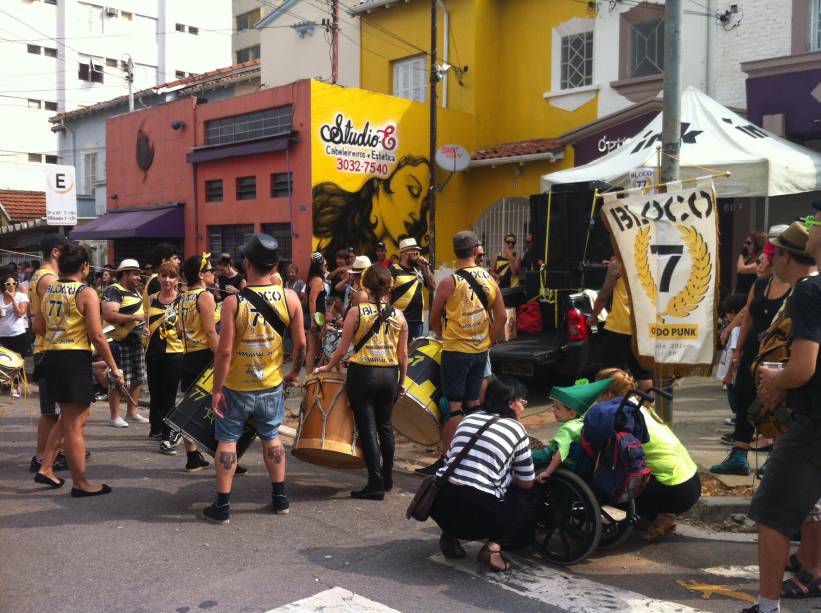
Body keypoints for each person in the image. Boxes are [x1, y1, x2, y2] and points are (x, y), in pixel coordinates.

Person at [202, 234, 305, 523]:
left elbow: (223, 353)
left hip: (236, 386)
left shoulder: (234, 302)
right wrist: (294, 373)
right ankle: (280, 498)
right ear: (274, 266)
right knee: (271, 437)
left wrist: (217, 389)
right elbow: (301, 345)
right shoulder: (291, 297)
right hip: (272, 385)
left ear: (247, 263)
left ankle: (222, 506)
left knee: (228, 441)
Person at [747, 213, 821, 613]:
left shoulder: (809, 290)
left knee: (771, 512)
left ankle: (766, 605)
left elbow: (803, 367)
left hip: (813, 420)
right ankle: (811, 568)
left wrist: (777, 378)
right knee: (811, 501)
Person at [32, 244, 123, 496]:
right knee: (74, 424)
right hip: (73, 360)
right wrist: (114, 367)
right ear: (84, 267)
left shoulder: (49, 288)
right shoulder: (86, 292)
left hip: (52, 356)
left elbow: (38, 325)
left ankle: (46, 467)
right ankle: (80, 483)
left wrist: (61, 333)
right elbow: (97, 334)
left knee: (74, 418)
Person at [316, 265, 408, 500]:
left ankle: (375, 482)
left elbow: (342, 349)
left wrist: (327, 366)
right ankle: (387, 479)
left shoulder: (357, 312)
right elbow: (403, 355)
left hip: (363, 373)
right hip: (389, 374)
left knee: (368, 427)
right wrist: (402, 381)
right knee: (385, 426)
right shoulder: (399, 316)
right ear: (389, 286)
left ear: (365, 285)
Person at [429, 376, 537, 571]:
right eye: (522, 402)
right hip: (480, 515)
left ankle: (450, 536)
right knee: (528, 496)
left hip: (439, 504)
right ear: (511, 403)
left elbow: (452, 458)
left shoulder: (468, 419)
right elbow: (527, 482)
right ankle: (493, 548)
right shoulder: (516, 429)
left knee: (462, 482)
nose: (524, 406)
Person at [420, 231, 506, 477]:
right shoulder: (489, 279)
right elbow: (502, 316)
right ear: (476, 249)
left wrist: (441, 332)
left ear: (455, 251)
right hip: (480, 352)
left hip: (456, 351)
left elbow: (434, 318)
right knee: (475, 405)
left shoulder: (450, 282)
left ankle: (446, 460)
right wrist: (489, 340)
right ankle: (476, 456)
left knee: (454, 409)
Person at [711, 238, 794, 475]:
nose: (759, 264)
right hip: (751, 352)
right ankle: (738, 454)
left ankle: (774, 458)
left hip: (777, 354)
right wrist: (737, 352)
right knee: (744, 398)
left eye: (763, 259)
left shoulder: (795, 287)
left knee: (774, 404)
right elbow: (748, 316)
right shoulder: (760, 285)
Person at [595, 368, 700, 540]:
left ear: (607, 394)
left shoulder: (620, 415)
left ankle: (660, 518)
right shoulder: (637, 404)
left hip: (673, 488)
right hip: (690, 479)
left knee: (603, 484)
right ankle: (651, 517)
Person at [313, 155, 431, 257]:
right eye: (413, 191)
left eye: (425, 205)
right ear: (379, 182)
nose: (418, 213)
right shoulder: (346, 236)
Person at [28, 235, 69, 474]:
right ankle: (42, 457)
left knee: (57, 410)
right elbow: (44, 323)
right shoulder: (49, 279)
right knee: (51, 412)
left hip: (49, 348)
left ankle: (54, 453)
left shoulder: (41, 276)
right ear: (56, 252)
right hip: (49, 348)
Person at [178, 254, 219, 473]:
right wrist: (225, 355)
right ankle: (226, 455)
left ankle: (192, 456)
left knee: (190, 406)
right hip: (204, 356)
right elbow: (211, 332)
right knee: (219, 407)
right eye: (210, 270)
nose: (214, 273)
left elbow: (176, 329)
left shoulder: (184, 297)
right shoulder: (205, 296)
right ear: (201, 274)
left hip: (187, 355)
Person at [588, 255, 653, 392]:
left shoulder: (619, 262)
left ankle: (611, 407)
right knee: (643, 372)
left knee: (610, 373)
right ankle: (646, 408)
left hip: (619, 327)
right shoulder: (650, 258)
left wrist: (593, 316)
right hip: (644, 327)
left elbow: (604, 295)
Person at [533, 378, 614, 479]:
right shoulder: (581, 422)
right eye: (553, 407)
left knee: (528, 458)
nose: (553, 410)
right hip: (578, 462)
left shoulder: (567, 429)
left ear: (572, 413)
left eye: (557, 408)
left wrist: (547, 473)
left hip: (553, 459)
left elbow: (561, 452)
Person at [144, 262, 185, 452]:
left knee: (169, 396)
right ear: (158, 277)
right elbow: (145, 322)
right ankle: (157, 428)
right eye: (164, 276)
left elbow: (185, 328)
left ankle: (169, 435)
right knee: (155, 393)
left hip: (175, 354)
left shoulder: (182, 300)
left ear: (177, 279)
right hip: (153, 352)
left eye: (172, 276)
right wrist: (143, 331)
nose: (167, 280)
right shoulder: (151, 298)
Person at [103, 259, 148, 428]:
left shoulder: (136, 292)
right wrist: (135, 318)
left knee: (137, 378)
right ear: (125, 274)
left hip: (135, 341)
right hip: (118, 342)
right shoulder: (114, 290)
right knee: (117, 379)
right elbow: (109, 315)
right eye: (135, 274)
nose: (138, 277)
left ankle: (132, 413)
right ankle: (115, 416)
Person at [390, 238, 435, 341]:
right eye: (415, 253)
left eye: (418, 253)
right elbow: (387, 294)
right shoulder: (394, 270)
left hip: (417, 320)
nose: (418, 256)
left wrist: (426, 268)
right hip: (399, 319)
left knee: (413, 352)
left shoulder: (419, 268)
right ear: (405, 254)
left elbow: (432, 286)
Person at [716, 293, 747, 426]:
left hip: (734, 374)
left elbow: (735, 353)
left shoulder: (736, 330)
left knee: (736, 400)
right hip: (734, 373)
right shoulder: (740, 329)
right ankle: (739, 418)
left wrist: (728, 374)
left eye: (727, 313)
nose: (726, 317)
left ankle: (740, 421)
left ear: (734, 312)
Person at [0, 272, 30, 397]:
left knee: (18, 362)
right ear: (4, 285)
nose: (11, 286)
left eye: (14, 283)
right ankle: (5, 385)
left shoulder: (21, 297)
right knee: (3, 362)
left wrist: (12, 299)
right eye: (8, 283)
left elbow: (20, 313)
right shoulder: (0, 297)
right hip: (2, 334)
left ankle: (16, 386)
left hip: (18, 334)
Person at [305, 253, 328, 372]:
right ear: (320, 264)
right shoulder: (317, 280)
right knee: (314, 348)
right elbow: (311, 300)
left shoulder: (312, 278)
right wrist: (313, 320)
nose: (326, 265)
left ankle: (313, 374)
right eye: (324, 263)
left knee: (315, 348)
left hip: (317, 316)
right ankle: (312, 375)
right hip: (316, 317)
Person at [736, 231, 767, 296]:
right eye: (745, 243)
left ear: (757, 244)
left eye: (749, 243)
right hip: (738, 296)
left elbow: (741, 269)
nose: (745, 246)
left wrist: (741, 253)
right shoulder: (747, 259)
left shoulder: (761, 262)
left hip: (749, 298)